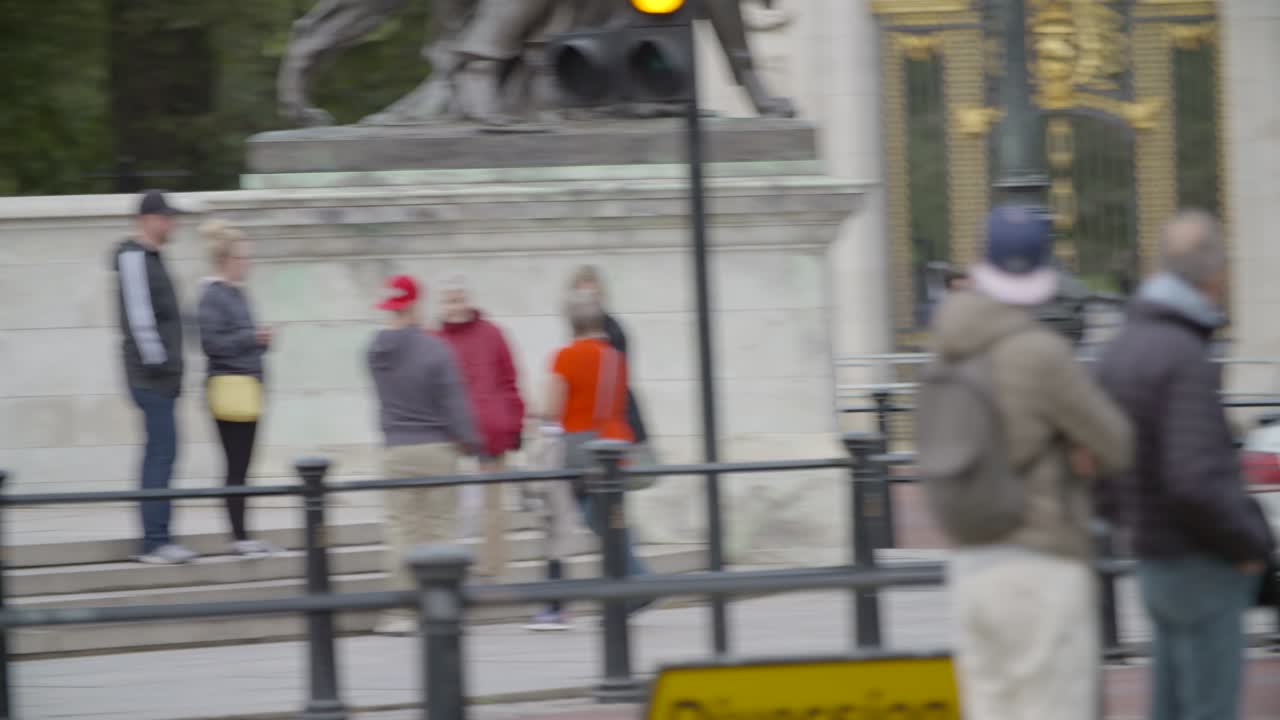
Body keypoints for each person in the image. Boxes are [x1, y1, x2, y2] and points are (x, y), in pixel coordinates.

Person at [930, 205, 1133, 719]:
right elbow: (1117, 444)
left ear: (980, 264)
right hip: (1040, 563)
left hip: (971, 565)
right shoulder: (1040, 352)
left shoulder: (945, 349)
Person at [1096, 210, 1274, 720]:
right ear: (1213, 273)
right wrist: (1247, 545)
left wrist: (1132, 523)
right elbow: (1193, 478)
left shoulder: (1125, 345)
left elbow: (1104, 466)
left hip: (1154, 559)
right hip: (1200, 560)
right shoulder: (1183, 352)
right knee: (1209, 706)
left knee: (1169, 704)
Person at [526, 289, 650, 631]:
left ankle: (639, 583)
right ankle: (629, 590)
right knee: (611, 520)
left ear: (570, 321)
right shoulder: (615, 357)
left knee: (589, 518)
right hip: (616, 447)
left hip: (580, 452)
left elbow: (552, 408)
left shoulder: (564, 357)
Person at [367, 274, 480, 635]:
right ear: (415, 305)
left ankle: (400, 613)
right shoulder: (436, 349)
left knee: (401, 529)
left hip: (395, 449)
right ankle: (441, 608)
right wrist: (470, 440)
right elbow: (453, 403)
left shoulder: (374, 351)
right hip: (436, 448)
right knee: (440, 530)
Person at [113, 190, 197, 565]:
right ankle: (154, 541)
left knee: (163, 452)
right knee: (161, 453)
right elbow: (139, 317)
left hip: (162, 377)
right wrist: (162, 365)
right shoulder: (133, 258)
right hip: (150, 377)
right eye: (165, 217)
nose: (171, 223)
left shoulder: (153, 258)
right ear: (145, 220)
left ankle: (159, 538)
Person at [196, 220, 278, 557]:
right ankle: (239, 536)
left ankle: (243, 534)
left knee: (242, 465)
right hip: (231, 389)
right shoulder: (212, 296)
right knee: (236, 465)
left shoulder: (236, 294)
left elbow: (236, 341)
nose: (249, 263)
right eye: (244, 257)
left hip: (246, 386)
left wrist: (260, 343)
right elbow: (212, 343)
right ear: (226, 259)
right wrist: (252, 338)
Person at [437, 276, 525, 577]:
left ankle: (494, 566)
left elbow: (509, 380)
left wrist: (514, 423)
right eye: (449, 299)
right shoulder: (434, 340)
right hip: (449, 435)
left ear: (470, 300)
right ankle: (448, 567)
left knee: (493, 508)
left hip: (490, 430)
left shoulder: (493, 334)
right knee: (449, 504)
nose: (455, 305)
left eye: (459, 298)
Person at [568, 265, 651, 453]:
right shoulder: (586, 332)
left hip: (612, 420)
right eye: (580, 297)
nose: (585, 304)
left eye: (590, 297)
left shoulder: (610, 331)